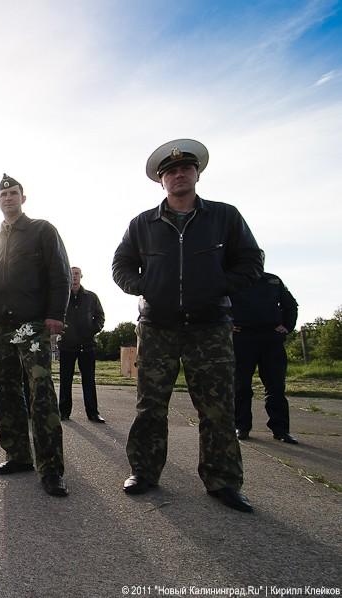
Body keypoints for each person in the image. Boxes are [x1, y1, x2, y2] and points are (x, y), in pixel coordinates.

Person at [112, 138, 263, 513]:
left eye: (185, 169)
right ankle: (144, 471)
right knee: (151, 406)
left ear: (197, 174)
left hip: (209, 327)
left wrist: (219, 286)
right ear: (161, 181)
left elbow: (251, 261)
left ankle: (223, 481)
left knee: (216, 408)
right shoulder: (142, 224)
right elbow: (121, 266)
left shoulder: (224, 217)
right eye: (170, 172)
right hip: (158, 326)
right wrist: (145, 286)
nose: (179, 175)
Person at [0, 173, 72, 497]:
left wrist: (55, 315)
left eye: (13, 193)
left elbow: (59, 273)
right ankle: (17, 455)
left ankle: (51, 469)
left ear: (23, 198)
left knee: (40, 393)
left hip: (31, 326)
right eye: (3, 195)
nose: (8, 198)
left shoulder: (42, 231)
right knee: (6, 392)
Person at [230, 270, 299, 444]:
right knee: (240, 385)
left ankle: (281, 430)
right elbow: (216, 304)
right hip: (242, 338)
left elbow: (291, 305)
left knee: (276, 387)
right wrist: (226, 324)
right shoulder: (233, 279)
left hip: (271, 339)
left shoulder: (273, 280)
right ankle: (241, 426)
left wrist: (287, 326)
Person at [58, 267, 106, 423]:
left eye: (77, 274)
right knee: (65, 380)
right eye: (71, 274)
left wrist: (92, 330)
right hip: (67, 345)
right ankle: (63, 412)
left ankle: (93, 413)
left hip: (87, 345)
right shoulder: (62, 297)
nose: (74, 277)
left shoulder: (91, 297)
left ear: (81, 276)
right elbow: (54, 314)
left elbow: (100, 317)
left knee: (89, 380)